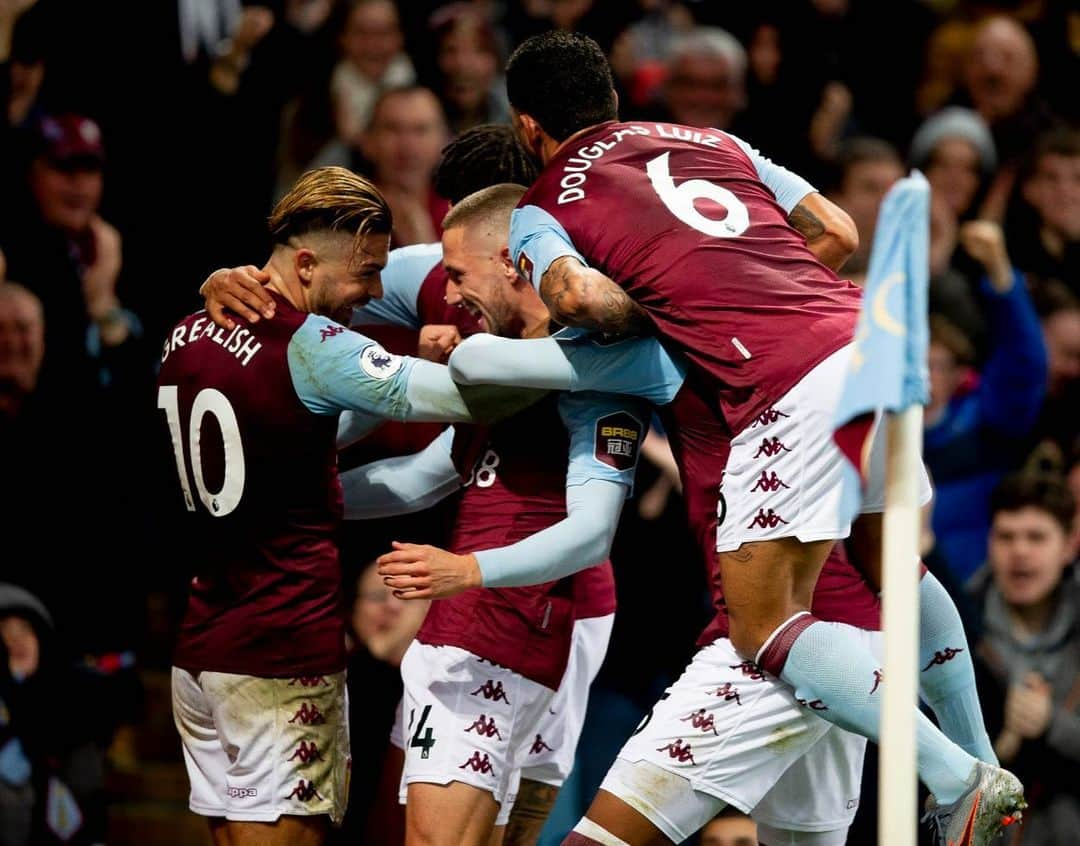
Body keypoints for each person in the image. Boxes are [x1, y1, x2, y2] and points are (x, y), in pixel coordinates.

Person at [485, 28, 1020, 844]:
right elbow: (838, 231)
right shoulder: (710, 138)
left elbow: (579, 301)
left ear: (528, 128)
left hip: (785, 379)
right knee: (889, 561)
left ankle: (953, 773)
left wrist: (676, 305)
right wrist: (741, 279)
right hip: (867, 337)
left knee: (765, 623)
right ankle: (976, 765)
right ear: (615, 102)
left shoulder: (541, 205)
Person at [157, 166, 508, 846]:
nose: (376, 293)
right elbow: (472, 401)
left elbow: (300, 431)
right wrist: (567, 360)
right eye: (365, 273)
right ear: (308, 261)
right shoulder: (314, 346)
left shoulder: (185, 331)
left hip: (201, 651)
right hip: (281, 651)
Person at [923, 221, 1047, 582]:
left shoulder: (984, 420)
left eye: (934, 364)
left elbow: (1024, 366)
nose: (922, 374)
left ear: (958, 375)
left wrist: (1002, 279)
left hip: (976, 589)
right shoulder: (875, 435)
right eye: (910, 363)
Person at [970, 474, 1079, 845]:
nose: (1020, 551)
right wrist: (1001, 748)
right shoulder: (959, 631)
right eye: (1006, 536)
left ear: (1068, 545)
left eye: (1036, 537)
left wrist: (1051, 725)